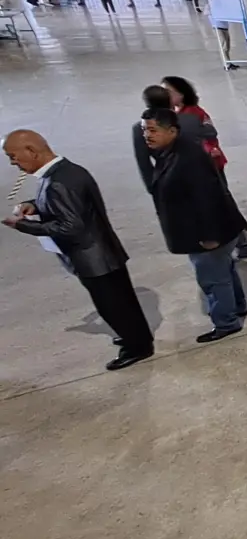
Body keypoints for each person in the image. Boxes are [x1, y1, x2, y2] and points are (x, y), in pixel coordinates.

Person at [2, 130, 154, 370]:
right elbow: (69, 207)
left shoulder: (58, 182)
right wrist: (34, 204)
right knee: (122, 303)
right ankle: (137, 338)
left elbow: (70, 227)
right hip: (103, 252)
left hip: (93, 259)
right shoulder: (66, 171)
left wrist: (22, 225)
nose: (12, 162)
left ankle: (137, 347)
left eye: (13, 156)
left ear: (31, 151)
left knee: (114, 306)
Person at [141, 109, 247, 343]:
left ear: (172, 131)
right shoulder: (170, 152)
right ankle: (237, 308)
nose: (146, 135)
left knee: (213, 279)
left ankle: (226, 322)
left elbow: (207, 197)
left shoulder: (187, 158)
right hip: (211, 229)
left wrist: (209, 235)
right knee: (225, 271)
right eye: (144, 130)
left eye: (152, 130)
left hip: (209, 233)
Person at [159, 76, 247, 259]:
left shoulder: (194, 113)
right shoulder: (172, 115)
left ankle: (241, 242)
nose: (164, 95)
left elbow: (210, 134)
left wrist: (207, 149)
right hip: (190, 169)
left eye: (168, 91)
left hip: (209, 166)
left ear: (182, 94)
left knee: (222, 202)